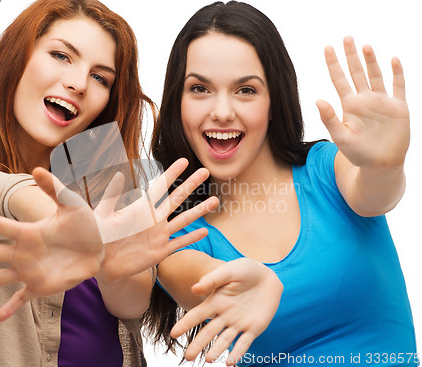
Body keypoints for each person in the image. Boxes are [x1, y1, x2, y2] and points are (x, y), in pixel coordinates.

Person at [0, 0, 217, 366]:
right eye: (61, 55)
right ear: (16, 57)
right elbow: (10, 196)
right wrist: (66, 225)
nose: (79, 83)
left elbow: (131, 303)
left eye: (100, 78)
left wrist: (110, 263)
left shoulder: (104, 179)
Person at [144, 1, 417, 366]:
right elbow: (195, 277)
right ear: (177, 101)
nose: (222, 111)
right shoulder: (177, 224)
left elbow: (375, 193)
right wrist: (238, 282)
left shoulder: (324, 169)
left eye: (246, 90)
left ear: (275, 98)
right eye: (200, 89)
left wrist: (385, 166)